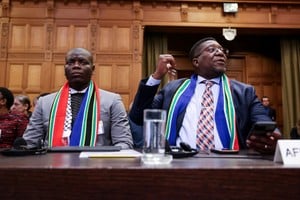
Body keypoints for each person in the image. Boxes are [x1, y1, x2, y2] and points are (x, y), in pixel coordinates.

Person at [129, 37, 281, 154]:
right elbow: (137, 116)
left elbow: (264, 121)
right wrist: (156, 76)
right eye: (212, 50)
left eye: (222, 50)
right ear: (196, 61)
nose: (220, 53)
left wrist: (272, 136)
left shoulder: (244, 92)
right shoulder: (173, 89)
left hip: (231, 163)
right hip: (179, 162)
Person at [22, 48, 133, 149]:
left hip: (96, 167)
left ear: (93, 69)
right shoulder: (45, 102)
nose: (76, 66)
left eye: (83, 62)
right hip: (53, 166)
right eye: (71, 62)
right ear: (64, 68)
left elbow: (123, 143)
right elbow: (29, 142)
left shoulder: (112, 101)